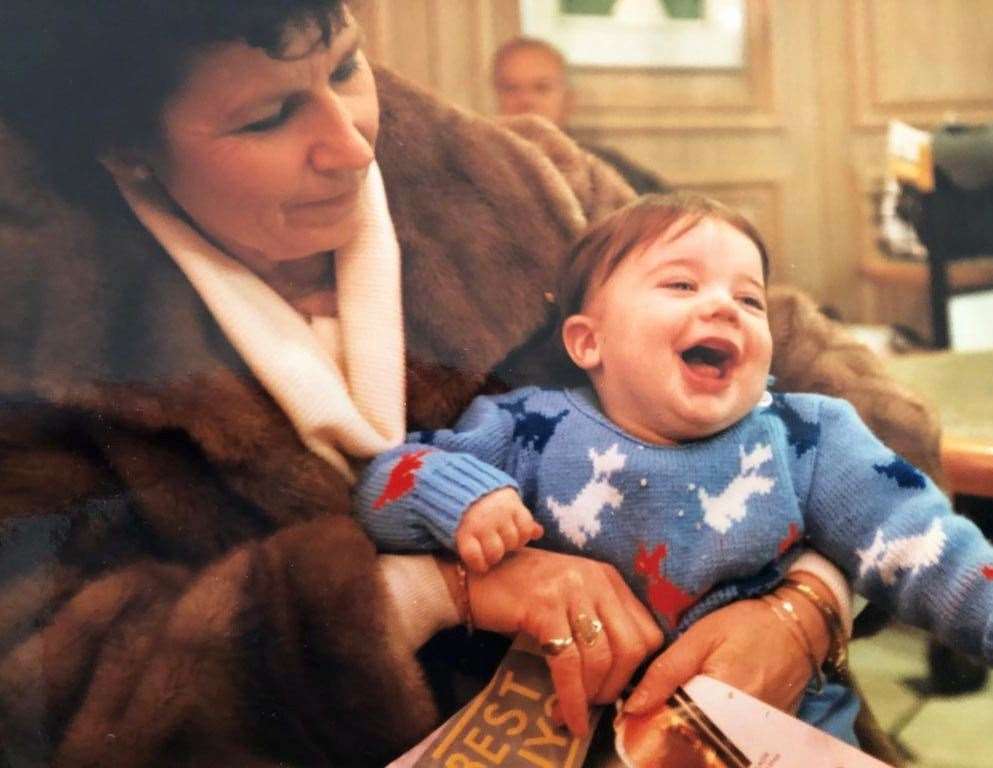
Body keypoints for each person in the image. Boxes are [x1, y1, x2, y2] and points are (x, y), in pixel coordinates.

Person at [0, 1, 935, 764]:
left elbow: (862, 412)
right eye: (267, 117)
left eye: (343, 69)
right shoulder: (44, 331)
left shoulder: (523, 184)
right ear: (126, 151)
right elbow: (50, 683)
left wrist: (806, 607)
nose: (351, 144)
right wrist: (439, 589)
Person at [356, 193, 993, 746]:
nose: (724, 307)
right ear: (588, 342)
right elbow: (386, 479)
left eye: (750, 298)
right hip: (572, 739)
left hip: (779, 735)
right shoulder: (524, 427)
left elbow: (930, 545)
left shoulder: (808, 436)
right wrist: (464, 498)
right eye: (681, 285)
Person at [492, 36, 671, 195]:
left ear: (569, 100)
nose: (525, 101)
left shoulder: (606, 169)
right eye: (510, 88)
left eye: (542, 88)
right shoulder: (479, 173)